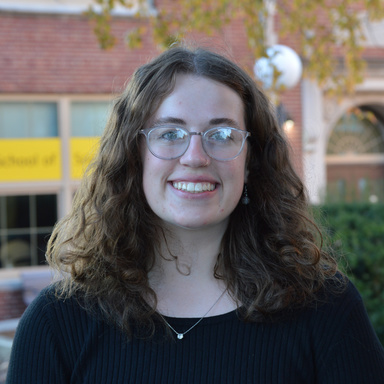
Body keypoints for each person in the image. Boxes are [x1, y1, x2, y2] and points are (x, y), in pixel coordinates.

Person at [7, 45, 384, 384]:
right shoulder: (58, 323)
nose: (195, 157)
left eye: (221, 135)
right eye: (170, 133)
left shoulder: (326, 311)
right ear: (134, 156)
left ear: (251, 160)